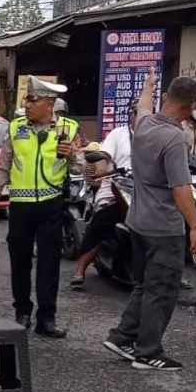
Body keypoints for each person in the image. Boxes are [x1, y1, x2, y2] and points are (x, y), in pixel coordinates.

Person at [103, 71, 196, 371]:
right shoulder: (174, 138)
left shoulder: (144, 124)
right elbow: (180, 188)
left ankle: (123, 337)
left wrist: (149, 84)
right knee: (161, 289)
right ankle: (148, 351)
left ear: (167, 97)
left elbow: (144, 105)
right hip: (163, 227)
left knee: (144, 285)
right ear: (191, 106)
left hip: (138, 222)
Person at [0, 76, 82, 338]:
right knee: (20, 260)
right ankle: (22, 311)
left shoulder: (69, 129)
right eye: (26, 99)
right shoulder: (16, 128)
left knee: (49, 263)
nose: (27, 105)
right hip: (21, 206)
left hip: (51, 204)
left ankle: (46, 319)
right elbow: (2, 167)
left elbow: (82, 169)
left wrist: (73, 156)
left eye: (33, 100)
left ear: (49, 103)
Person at [70, 101, 136, 290]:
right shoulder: (118, 134)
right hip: (117, 186)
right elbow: (103, 155)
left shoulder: (154, 136)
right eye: (136, 112)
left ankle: (173, 271)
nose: (140, 116)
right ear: (130, 114)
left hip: (145, 190)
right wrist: (101, 168)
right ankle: (80, 269)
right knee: (102, 220)